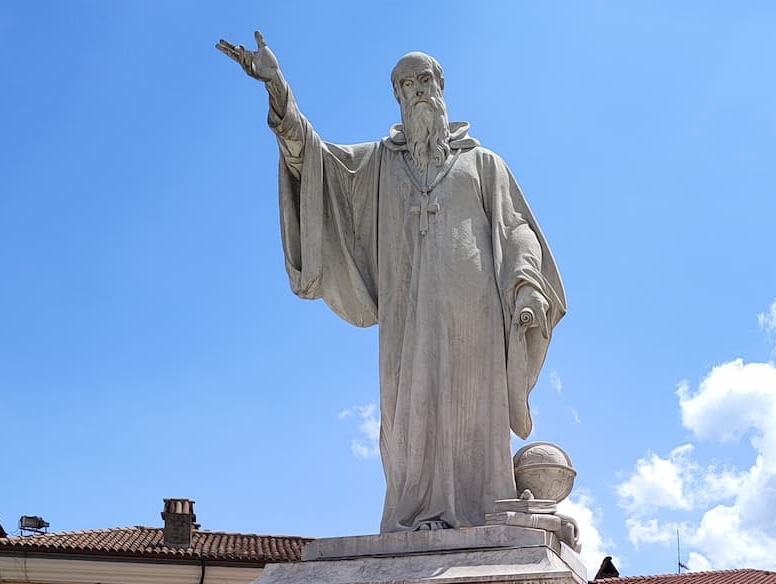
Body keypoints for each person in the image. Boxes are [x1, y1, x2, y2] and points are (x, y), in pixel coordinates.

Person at [217, 35, 565, 532]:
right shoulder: (378, 163)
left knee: (474, 417)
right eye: (406, 85)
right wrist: (277, 87)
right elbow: (312, 160)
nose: (418, 91)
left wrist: (527, 286)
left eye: (425, 81)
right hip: (406, 319)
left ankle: (481, 511)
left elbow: (517, 230)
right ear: (397, 98)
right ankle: (415, 511)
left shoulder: (483, 163)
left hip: (476, 319)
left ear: (441, 87)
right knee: (409, 413)